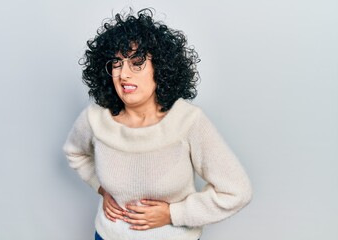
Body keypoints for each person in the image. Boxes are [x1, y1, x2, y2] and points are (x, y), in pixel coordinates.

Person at [63, 8, 252, 240]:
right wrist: (101, 188)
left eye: (137, 62)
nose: (123, 74)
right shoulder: (95, 119)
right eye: (116, 63)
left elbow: (236, 191)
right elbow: (75, 153)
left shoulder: (188, 122)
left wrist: (174, 214)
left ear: (160, 68)